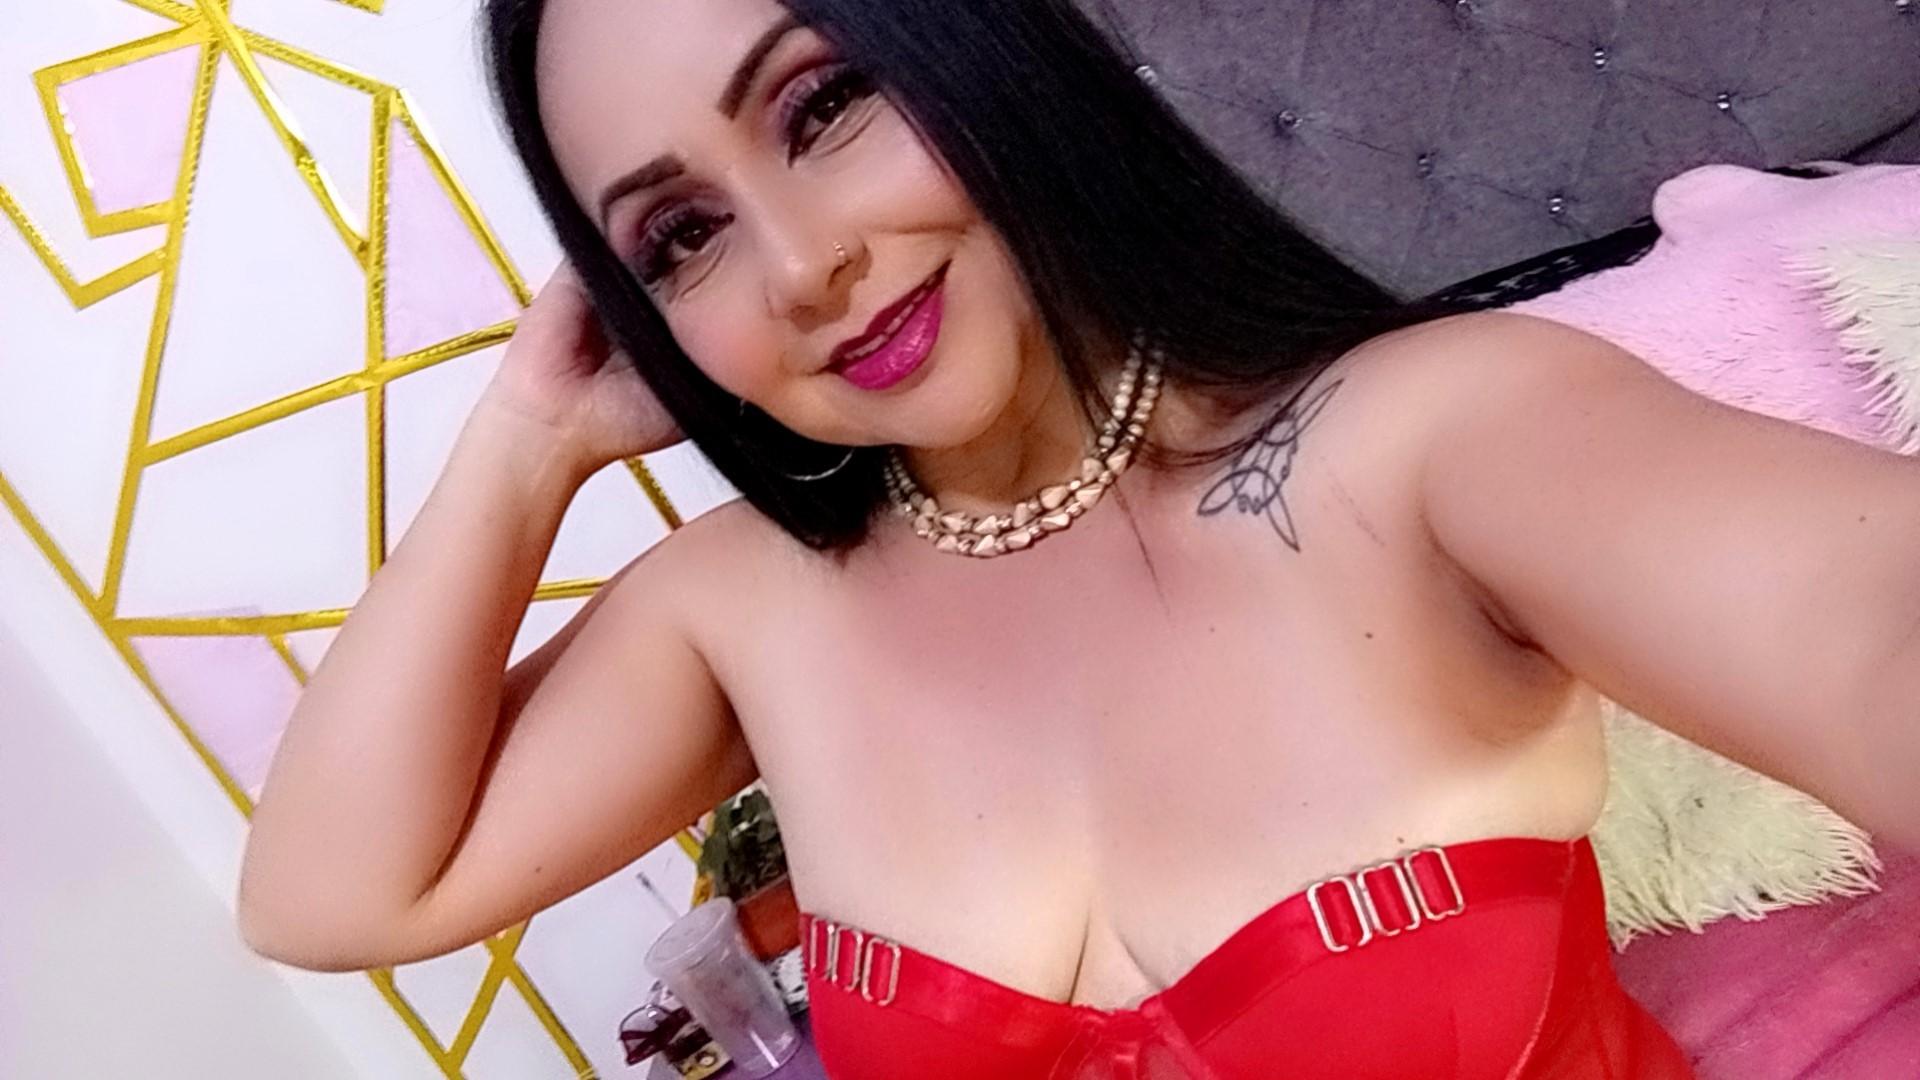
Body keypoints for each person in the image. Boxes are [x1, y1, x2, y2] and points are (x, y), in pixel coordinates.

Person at [234, 0, 1920, 1075]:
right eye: (681, 236)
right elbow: (332, 897)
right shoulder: (745, 606)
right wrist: (527, 439)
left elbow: (1871, 624)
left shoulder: (1426, 441)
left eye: (824, 106)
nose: (803, 266)